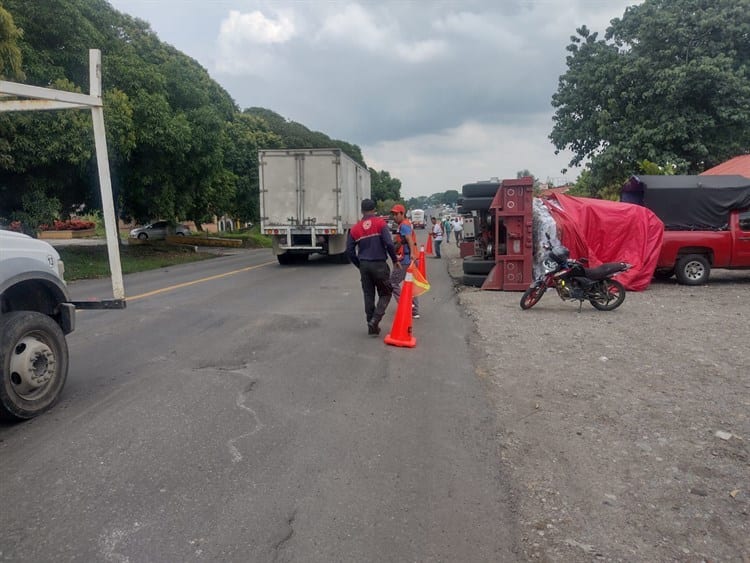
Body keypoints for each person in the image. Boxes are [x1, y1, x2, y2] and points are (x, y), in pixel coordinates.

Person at [346, 199, 400, 335]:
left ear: (361, 210)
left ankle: (371, 327)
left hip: (364, 265)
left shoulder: (355, 229)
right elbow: (389, 244)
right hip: (379, 264)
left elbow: (350, 251)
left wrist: (360, 265)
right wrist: (394, 260)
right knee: (386, 292)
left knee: (368, 295)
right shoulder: (380, 224)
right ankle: (375, 320)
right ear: (374, 209)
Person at [389, 204, 420, 319]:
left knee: (392, 282)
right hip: (410, 259)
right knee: (410, 284)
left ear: (402, 213)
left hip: (406, 260)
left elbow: (409, 240)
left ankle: (405, 305)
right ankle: (414, 310)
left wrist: (411, 254)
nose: (394, 216)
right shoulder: (404, 224)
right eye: (393, 214)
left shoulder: (404, 226)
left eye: (396, 214)